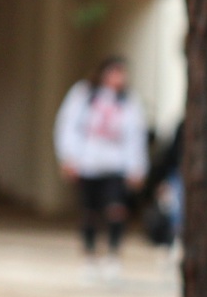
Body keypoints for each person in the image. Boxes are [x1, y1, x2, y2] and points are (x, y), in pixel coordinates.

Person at [53, 55, 148, 276]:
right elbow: (68, 125)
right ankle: (89, 255)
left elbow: (135, 136)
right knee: (89, 212)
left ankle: (114, 255)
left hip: (115, 166)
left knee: (116, 210)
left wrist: (137, 167)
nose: (119, 78)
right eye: (115, 72)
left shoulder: (128, 101)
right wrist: (69, 157)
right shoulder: (84, 94)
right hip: (88, 164)